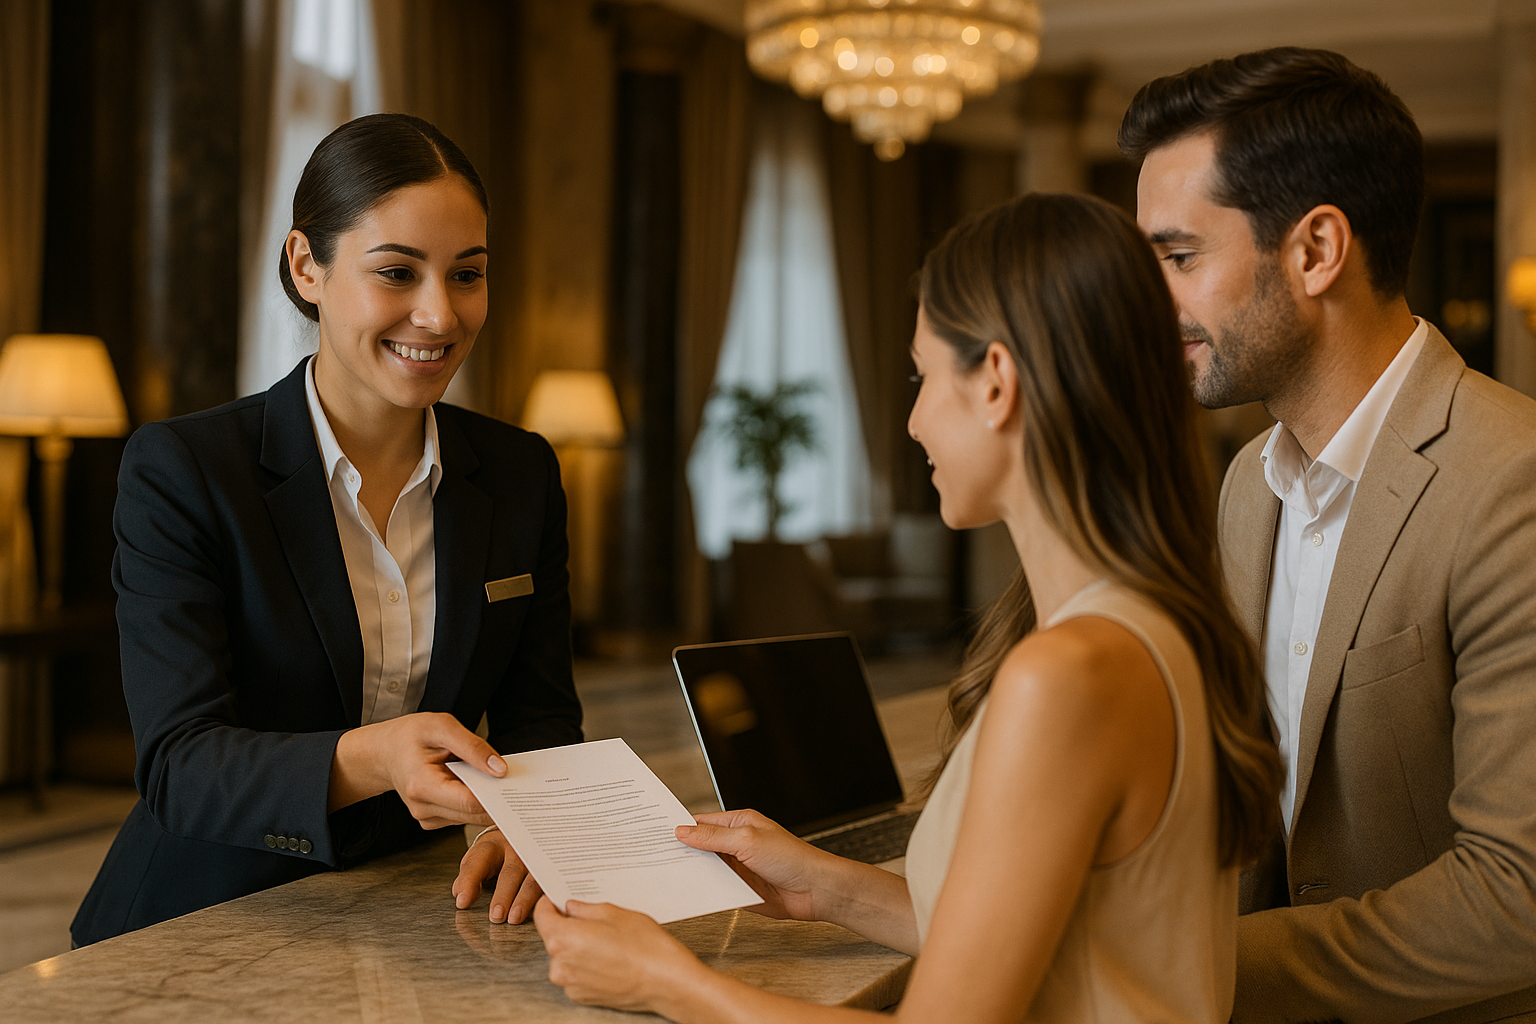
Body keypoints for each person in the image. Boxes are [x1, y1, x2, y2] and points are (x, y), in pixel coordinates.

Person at [531, 192, 1282, 1022]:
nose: (915, 420)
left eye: (923, 376)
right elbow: (1063, 935)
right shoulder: (1151, 624)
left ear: (996, 381)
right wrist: (829, 887)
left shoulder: (1068, 672)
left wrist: (668, 983)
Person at [71, 113, 582, 947]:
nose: (439, 315)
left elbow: (543, 719)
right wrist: (372, 758)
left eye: (467, 275)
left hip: (417, 909)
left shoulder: (520, 472)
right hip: (200, 920)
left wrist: (508, 829)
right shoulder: (185, 469)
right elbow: (181, 764)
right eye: (396, 272)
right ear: (308, 265)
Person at [1121, 47, 1536, 1023]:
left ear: (1315, 251)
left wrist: (1181, 963)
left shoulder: (1512, 483)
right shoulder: (1244, 486)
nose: (1148, 301)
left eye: (1177, 258)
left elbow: (1519, 892)